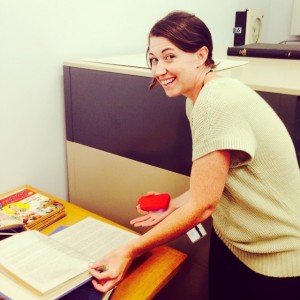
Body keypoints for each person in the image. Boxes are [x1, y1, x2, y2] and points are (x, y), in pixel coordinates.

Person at [88, 11, 300, 300]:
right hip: (237, 243)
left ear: (201, 56)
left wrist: (128, 249)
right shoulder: (199, 98)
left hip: (274, 258)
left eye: (169, 56)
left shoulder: (215, 102)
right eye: (153, 59)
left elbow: (203, 205)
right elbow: (211, 186)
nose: (158, 69)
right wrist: (174, 205)